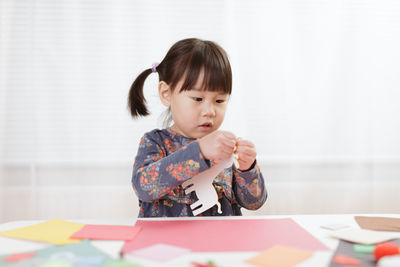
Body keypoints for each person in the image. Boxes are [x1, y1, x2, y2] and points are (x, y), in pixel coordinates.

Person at [128, 38, 267, 217]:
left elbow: (254, 202)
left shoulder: (224, 147)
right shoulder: (155, 142)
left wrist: (247, 169)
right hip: (166, 243)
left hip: (219, 242)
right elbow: (144, 187)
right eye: (198, 99)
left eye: (219, 101)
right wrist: (199, 152)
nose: (209, 111)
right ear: (166, 94)